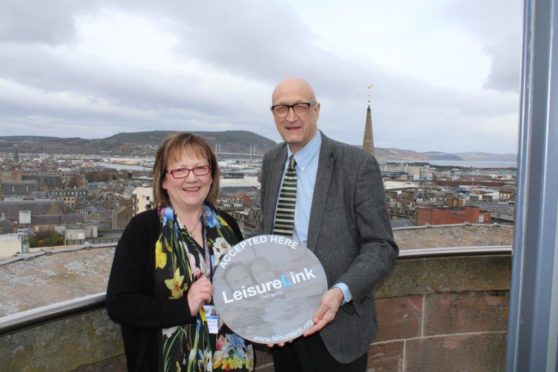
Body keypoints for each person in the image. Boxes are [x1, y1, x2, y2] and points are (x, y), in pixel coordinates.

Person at [259, 78, 399, 371]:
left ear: (316, 110)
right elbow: (268, 230)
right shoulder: (271, 160)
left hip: (337, 329)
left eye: (300, 106)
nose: (291, 116)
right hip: (284, 320)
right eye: (281, 108)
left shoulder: (357, 165)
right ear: (273, 114)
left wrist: (340, 291)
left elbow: (381, 245)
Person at [106, 132, 254, 372]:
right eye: (180, 170)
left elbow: (246, 292)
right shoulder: (144, 229)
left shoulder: (228, 226)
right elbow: (119, 303)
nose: (192, 178)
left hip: (231, 362)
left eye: (200, 168)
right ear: (164, 180)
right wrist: (184, 307)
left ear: (212, 175)